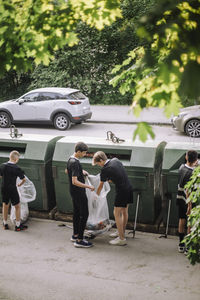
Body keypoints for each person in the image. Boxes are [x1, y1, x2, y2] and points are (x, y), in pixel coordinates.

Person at [92, 151, 133, 246]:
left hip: (121, 191)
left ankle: (121, 239)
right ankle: (121, 232)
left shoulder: (105, 170)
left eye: (98, 163)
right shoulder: (116, 160)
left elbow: (100, 186)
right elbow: (118, 173)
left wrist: (96, 197)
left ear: (101, 160)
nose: (99, 165)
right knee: (124, 211)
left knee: (116, 213)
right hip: (129, 187)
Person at [66, 142, 95, 248]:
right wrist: (89, 187)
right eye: (84, 153)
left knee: (77, 213)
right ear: (78, 152)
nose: (85, 155)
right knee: (84, 214)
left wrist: (81, 171)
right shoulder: (76, 163)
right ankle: (79, 240)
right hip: (78, 192)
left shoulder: (70, 159)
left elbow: (67, 171)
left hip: (73, 191)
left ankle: (75, 234)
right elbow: (75, 181)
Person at [176, 150, 198, 253]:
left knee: (181, 220)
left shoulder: (181, 168)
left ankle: (181, 244)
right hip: (188, 200)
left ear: (186, 157)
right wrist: (189, 206)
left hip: (180, 198)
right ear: (196, 159)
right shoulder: (192, 173)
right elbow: (188, 191)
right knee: (190, 223)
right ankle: (189, 247)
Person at [0, 150, 27, 231]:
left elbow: (0, 176)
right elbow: (24, 179)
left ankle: (5, 224)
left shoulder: (2, 166)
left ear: (10, 157)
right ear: (16, 159)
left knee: (5, 205)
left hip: (4, 188)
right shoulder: (17, 168)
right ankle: (18, 226)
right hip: (13, 189)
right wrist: (19, 184)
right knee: (17, 206)